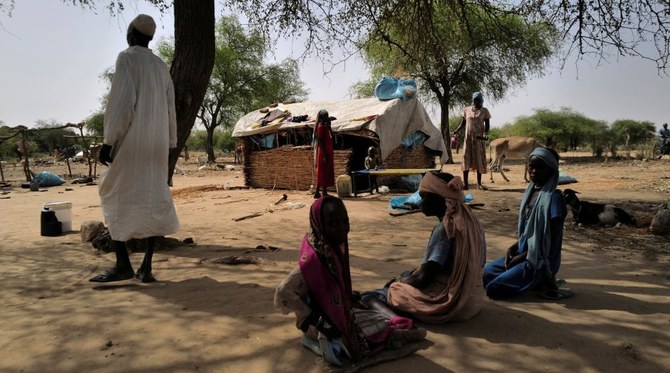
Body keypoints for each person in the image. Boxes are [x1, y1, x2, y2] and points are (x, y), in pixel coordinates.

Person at [275, 196, 426, 367]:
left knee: (373, 315)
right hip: (320, 325)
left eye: (345, 221)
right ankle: (389, 338)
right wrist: (312, 318)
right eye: (333, 224)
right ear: (320, 225)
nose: (342, 228)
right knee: (368, 331)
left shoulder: (330, 249)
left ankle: (390, 334)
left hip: (334, 314)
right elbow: (283, 290)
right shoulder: (313, 261)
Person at [90, 14, 179, 283]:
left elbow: (122, 104)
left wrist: (108, 141)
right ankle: (147, 267)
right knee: (153, 198)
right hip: (156, 145)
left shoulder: (126, 58)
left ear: (131, 33)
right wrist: (170, 142)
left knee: (113, 194)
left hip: (132, 143)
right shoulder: (161, 66)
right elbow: (170, 109)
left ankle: (123, 265)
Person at [365, 171, 487, 323]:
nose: (420, 203)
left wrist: (397, 284)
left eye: (424, 197)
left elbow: (424, 277)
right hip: (473, 297)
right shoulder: (472, 222)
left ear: (439, 198)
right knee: (407, 273)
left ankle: (398, 322)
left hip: (453, 303)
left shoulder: (444, 229)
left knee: (374, 296)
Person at [482, 147, 571, 300]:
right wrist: (514, 248)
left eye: (540, 167)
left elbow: (547, 242)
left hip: (539, 260)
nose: (534, 171)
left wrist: (523, 257)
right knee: (485, 273)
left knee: (494, 289)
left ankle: (541, 279)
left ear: (551, 170)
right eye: (531, 167)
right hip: (523, 254)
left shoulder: (554, 198)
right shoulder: (530, 194)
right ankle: (527, 279)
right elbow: (527, 234)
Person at [452, 92, 491, 190]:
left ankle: (479, 184)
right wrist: (456, 130)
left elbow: (487, 126)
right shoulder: (466, 110)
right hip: (468, 139)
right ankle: (466, 184)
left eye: (478, 100)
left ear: (481, 100)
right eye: (475, 100)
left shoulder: (484, 111)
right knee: (466, 160)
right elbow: (463, 124)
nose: (476, 102)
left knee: (479, 160)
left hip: (479, 140)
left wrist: (485, 134)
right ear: (472, 100)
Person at [313, 109, 335, 198]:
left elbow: (331, 135)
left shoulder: (325, 126)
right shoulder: (320, 127)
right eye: (325, 116)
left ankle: (317, 192)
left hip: (327, 151)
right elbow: (320, 141)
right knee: (323, 171)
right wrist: (325, 154)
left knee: (324, 171)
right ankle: (323, 192)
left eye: (327, 115)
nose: (327, 118)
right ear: (321, 117)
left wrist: (329, 126)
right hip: (323, 151)